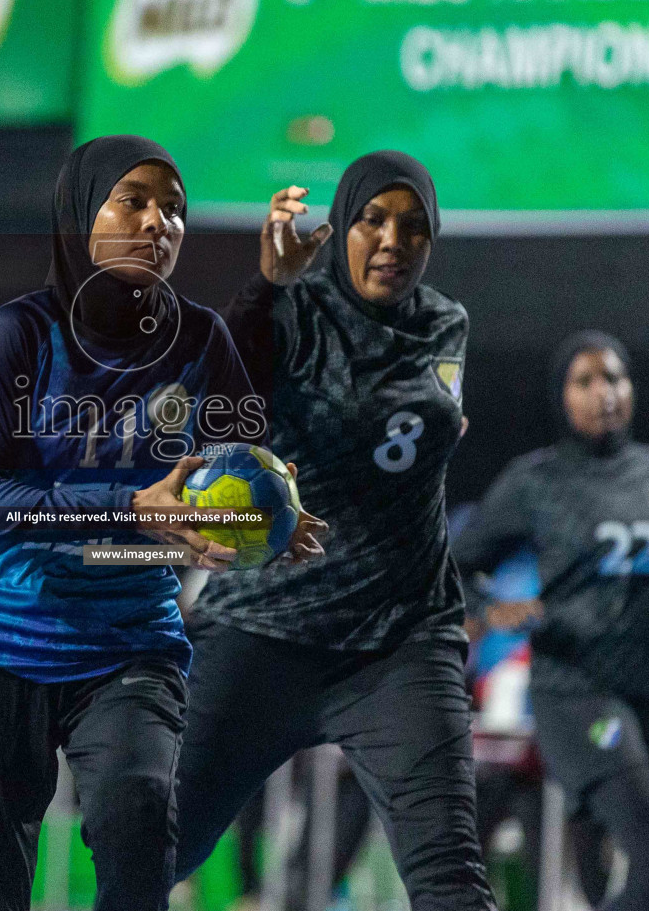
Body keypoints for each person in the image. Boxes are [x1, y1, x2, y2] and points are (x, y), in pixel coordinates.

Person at [0, 134, 327, 911]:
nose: (160, 224)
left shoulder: (198, 341)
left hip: (129, 640)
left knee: (140, 819)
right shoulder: (18, 336)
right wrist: (126, 508)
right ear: (83, 215)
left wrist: (264, 522)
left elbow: (236, 468)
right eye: (135, 202)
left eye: (175, 210)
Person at [175, 152, 497, 910]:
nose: (393, 240)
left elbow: (419, 420)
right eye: (373, 220)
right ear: (342, 226)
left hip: (400, 640)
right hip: (265, 630)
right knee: (151, 847)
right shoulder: (292, 311)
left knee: (452, 880)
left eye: (413, 226)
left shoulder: (446, 323)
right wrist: (264, 289)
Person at [452, 330, 649, 911]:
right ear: (562, 397)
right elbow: (458, 567)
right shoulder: (536, 480)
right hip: (579, 694)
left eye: (615, 378)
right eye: (586, 381)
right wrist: (490, 610)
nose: (604, 392)